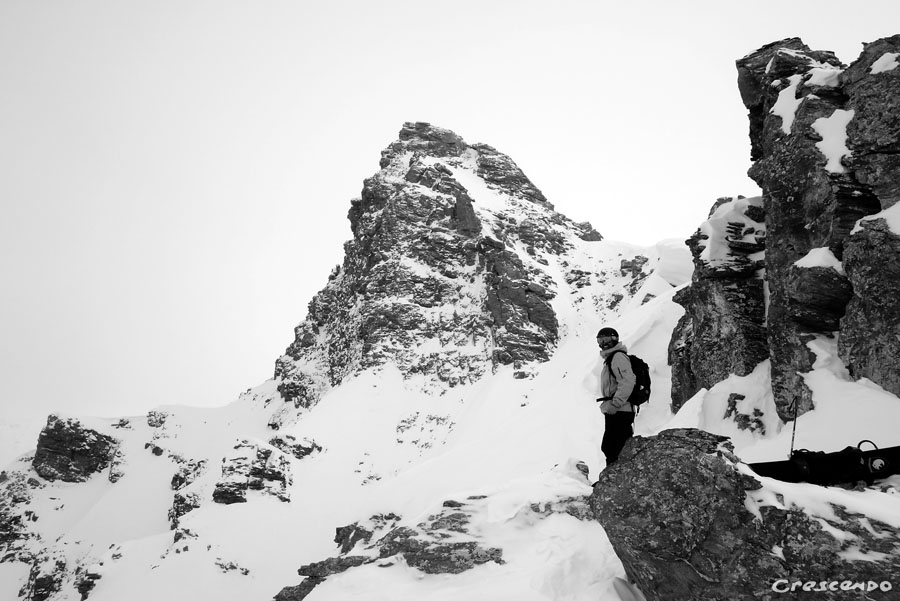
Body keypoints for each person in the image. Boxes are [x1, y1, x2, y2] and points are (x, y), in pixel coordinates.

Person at [596, 327, 636, 466]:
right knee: (611, 447)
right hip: (615, 409)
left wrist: (616, 404)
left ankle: (616, 480)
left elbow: (627, 381)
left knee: (614, 447)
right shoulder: (610, 358)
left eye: (606, 339)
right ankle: (612, 479)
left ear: (614, 339)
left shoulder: (618, 357)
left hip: (620, 410)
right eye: (600, 340)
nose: (603, 343)